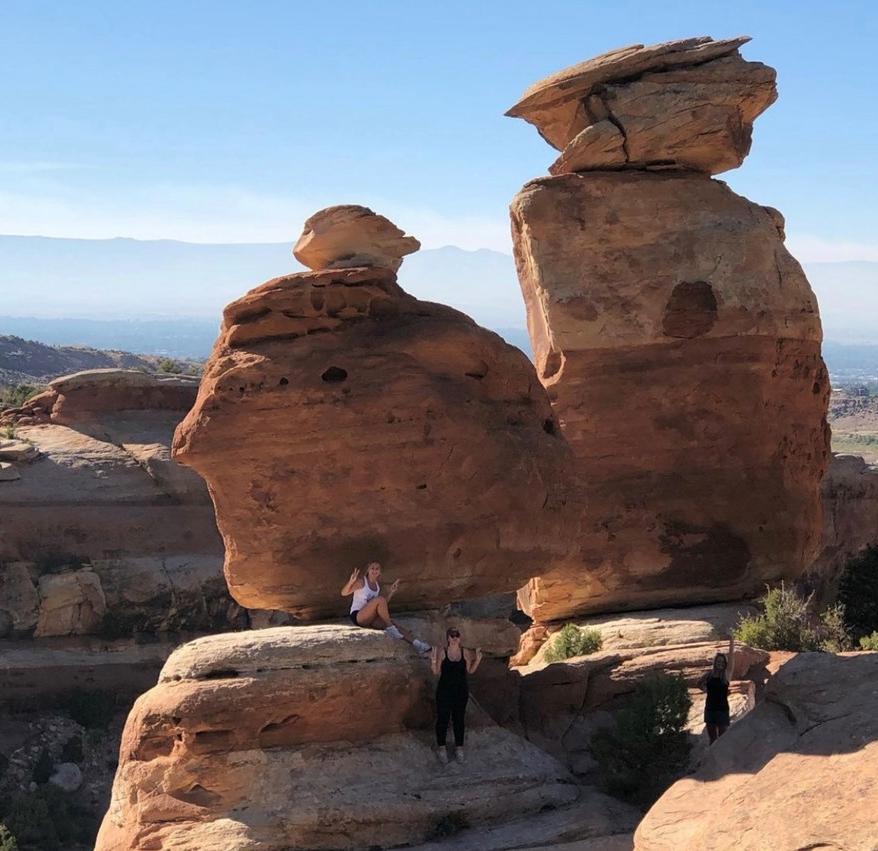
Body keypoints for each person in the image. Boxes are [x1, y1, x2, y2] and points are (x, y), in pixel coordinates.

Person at [340, 561, 430, 653]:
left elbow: (382, 605)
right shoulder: (362, 582)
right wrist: (350, 582)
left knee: (395, 624)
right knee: (388, 619)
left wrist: (391, 592)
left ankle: (418, 644)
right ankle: (390, 628)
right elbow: (344, 593)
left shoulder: (377, 586)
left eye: (377, 569)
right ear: (368, 570)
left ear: (380, 572)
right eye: (372, 568)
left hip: (371, 617)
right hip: (358, 616)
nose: (374, 571)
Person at [431, 627, 482, 764]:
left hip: (461, 691)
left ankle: (459, 748)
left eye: (457, 635)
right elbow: (436, 672)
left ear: (460, 637)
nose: (455, 638)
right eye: (452, 635)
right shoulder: (443, 652)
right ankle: (441, 748)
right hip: (444, 690)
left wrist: (477, 660)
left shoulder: (464, 652)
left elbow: (470, 671)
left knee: (459, 719)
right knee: (443, 718)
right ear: (447, 638)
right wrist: (433, 661)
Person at [701, 636, 736, 744]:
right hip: (710, 709)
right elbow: (698, 683)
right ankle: (710, 760)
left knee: (722, 740)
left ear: (725, 664)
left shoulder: (726, 675)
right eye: (718, 661)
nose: (720, 663)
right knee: (712, 739)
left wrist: (731, 641)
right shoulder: (709, 675)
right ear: (715, 662)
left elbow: (731, 658)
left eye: (722, 662)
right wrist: (705, 689)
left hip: (722, 710)